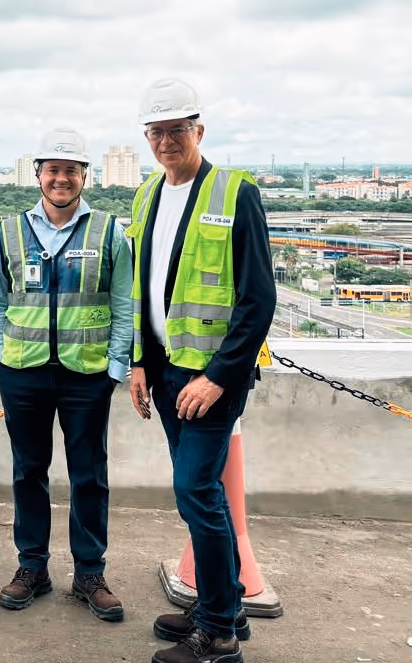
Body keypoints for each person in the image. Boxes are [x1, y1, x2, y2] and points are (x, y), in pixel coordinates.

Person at [127, 79, 275, 663]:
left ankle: (217, 632)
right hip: (164, 373)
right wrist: (140, 362)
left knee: (196, 491)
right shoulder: (146, 197)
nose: (167, 141)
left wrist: (219, 375)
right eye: (157, 131)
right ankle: (227, 601)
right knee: (201, 492)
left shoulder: (235, 193)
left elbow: (258, 298)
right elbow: (142, 291)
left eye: (177, 129)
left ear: (199, 131)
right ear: (147, 137)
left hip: (212, 378)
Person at [0, 128, 132, 622]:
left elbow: (122, 303)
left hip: (85, 376)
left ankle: (90, 573)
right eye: (52, 170)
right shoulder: (8, 231)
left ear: (84, 176)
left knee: (89, 476)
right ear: (38, 176)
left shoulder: (108, 231)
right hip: (23, 373)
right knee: (28, 473)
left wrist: (114, 367)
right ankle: (32, 567)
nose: (61, 178)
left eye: (71, 170)